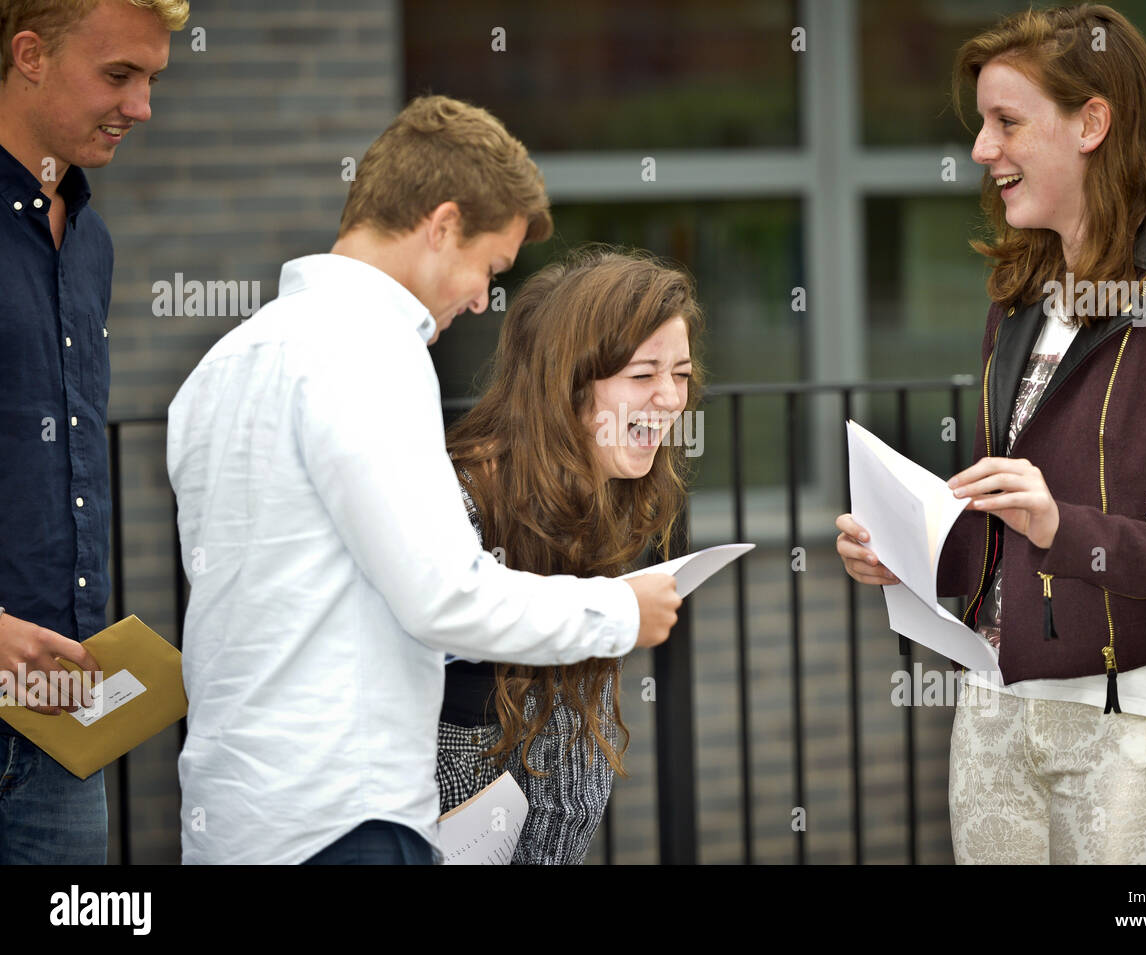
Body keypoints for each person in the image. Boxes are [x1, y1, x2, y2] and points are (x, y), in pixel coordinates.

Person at [167, 96, 682, 865]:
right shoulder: (371, 352)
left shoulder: (220, 365)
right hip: (347, 822)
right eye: (488, 267)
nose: (480, 298)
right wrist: (617, 609)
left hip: (235, 818)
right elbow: (444, 593)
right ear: (440, 226)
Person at [835, 3, 1146, 865]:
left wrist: (1063, 528)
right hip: (997, 708)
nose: (980, 151)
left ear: (1092, 123)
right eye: (981, 126)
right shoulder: (1019, 300)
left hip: (1142, 728)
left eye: (1007, 122)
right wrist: (915, 554)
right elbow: (1012, 526)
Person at [438, 247, 701, 864]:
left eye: (682, 374)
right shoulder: (461, 510)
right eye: (643, 375)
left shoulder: (599, 497)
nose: (669, 398)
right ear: (569, 384)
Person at [0, 0, 188, 865]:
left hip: (61, 714)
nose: (142, 106)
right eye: (120, 75)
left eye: (151, 78)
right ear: (29, 54)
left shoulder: (92, 240)